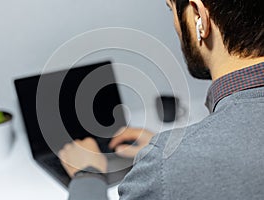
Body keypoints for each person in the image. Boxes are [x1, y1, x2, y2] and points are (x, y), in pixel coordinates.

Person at [59, 0, 264, 199]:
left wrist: (88, 176)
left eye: (171, 10)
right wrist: (180, 150)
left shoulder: (164, 173)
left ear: (199, 16)